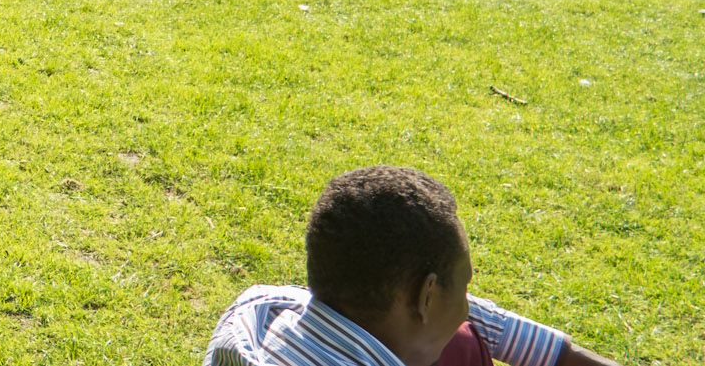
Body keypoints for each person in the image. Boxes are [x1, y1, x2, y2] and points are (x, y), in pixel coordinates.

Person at [206, 166, 625, 366]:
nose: (468, 306)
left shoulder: (257, 311)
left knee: (458, 338)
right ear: (426, 295)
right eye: (462, 290)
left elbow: (478, 320)